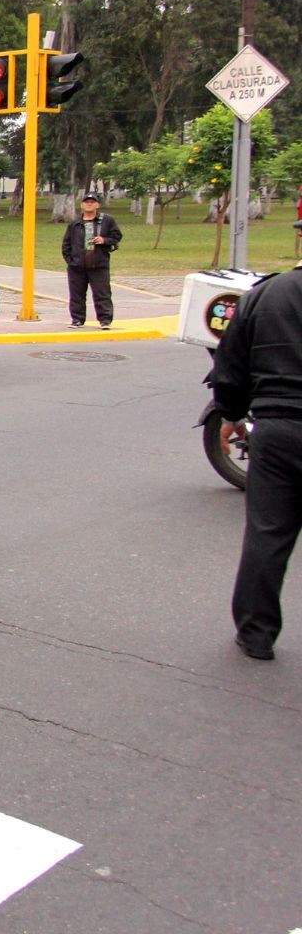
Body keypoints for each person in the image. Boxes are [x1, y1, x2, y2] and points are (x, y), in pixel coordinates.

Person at [211, 266, 302, 660]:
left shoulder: (267, 294)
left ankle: (256, 634)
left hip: (278, 429)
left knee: (268, 533)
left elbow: (230, 367)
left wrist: (231, 415)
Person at [63, 193, 122, 329]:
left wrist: (104, 240)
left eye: (92, 202)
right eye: (86, 202)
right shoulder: (75, 223)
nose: (89, 204)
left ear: (97, 205)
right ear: (82, 205)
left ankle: (105, 320)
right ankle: (77, 319)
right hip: (77, 266)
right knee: (76, 294)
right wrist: (71, 261)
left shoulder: (106, 220)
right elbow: (66, 244)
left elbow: (116, 236)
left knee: (102, 293)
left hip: (98, 265)